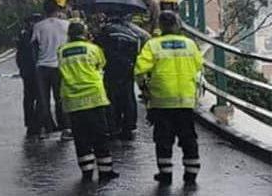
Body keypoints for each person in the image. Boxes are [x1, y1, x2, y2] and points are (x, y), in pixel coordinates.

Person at [135, 11, 204, 187]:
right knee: (188, 138)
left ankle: (165, 175)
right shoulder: (190, 44)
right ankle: (191, 175)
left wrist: (144, 89)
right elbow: (198, 65)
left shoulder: (153, 45)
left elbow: (139, 70)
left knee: (163, 139)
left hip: (161, 101)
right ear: (177, 24)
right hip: (185, 101)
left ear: (160, 25)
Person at [58, 20, 119, 183]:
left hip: (73, 100)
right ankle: (106, 171)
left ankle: (86, 172)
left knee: (80, 136)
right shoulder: (93, 49)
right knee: (99, 135)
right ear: (84, 34)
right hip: (94, 98)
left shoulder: (62, 51)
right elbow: (102, 64)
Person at [95, 13, 148, 141]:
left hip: (111, 67)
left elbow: (98, 47)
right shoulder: (133, 31)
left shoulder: (107, 30)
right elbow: (141, 43)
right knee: (128, 96)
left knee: (111, 97)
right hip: (128, 67)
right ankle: (129, 125)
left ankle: (114, 125)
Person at [31, 0, 71, 140]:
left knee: (43, 99)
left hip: (42, 68)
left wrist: (36, 63)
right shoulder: (66, 25)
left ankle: (43, 129)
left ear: (44, 10)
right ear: (58, 9)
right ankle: (66, 129)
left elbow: (34, 46)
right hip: (60, 67)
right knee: (61, 98)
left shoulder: (38, 26)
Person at [16, 14, 44, 137]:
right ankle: (38, 124)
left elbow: (19, 55)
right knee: (39, 97)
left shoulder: (23, 35)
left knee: (29, 97)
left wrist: (21, 68)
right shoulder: (39, 35)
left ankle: (31, 125)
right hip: (36, 70)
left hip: (28, 71)